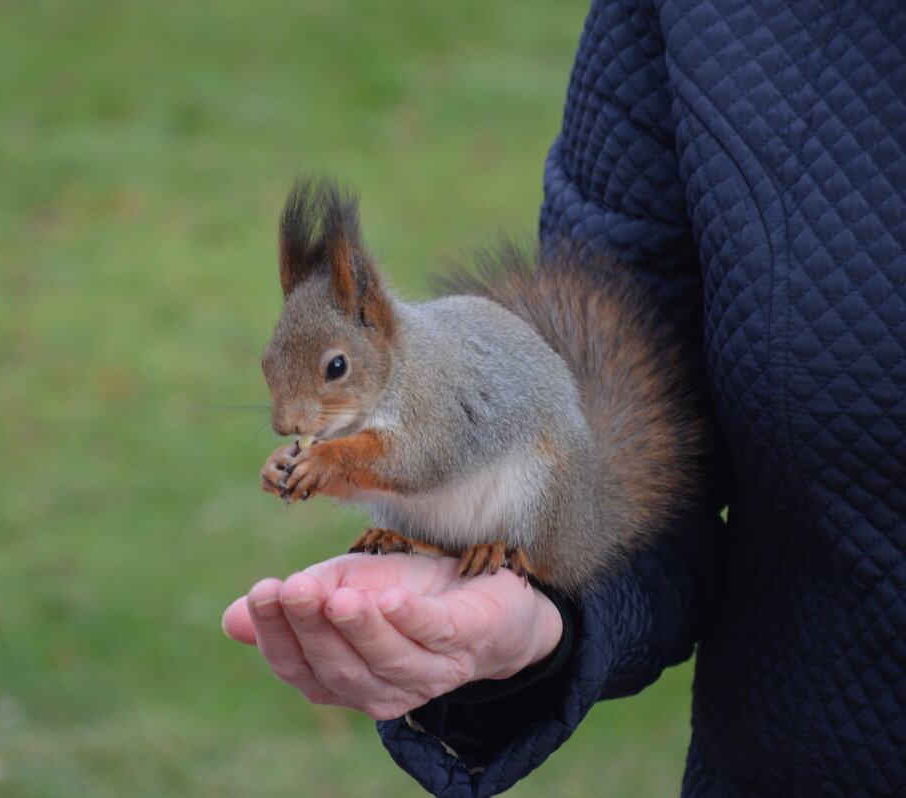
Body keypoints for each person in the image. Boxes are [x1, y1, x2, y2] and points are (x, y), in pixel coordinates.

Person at [223, 0, 906, 794]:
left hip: (530, 486)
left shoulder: (412, 385)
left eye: (328, 377)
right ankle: (440, 547)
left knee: (518, 450)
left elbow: (415, 458)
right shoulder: (687, 25)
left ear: (369, 319)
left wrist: (335, 462)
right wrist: (539, 639)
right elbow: (385, 473)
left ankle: (521, 549)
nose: (292, 418)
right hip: (782, 767)